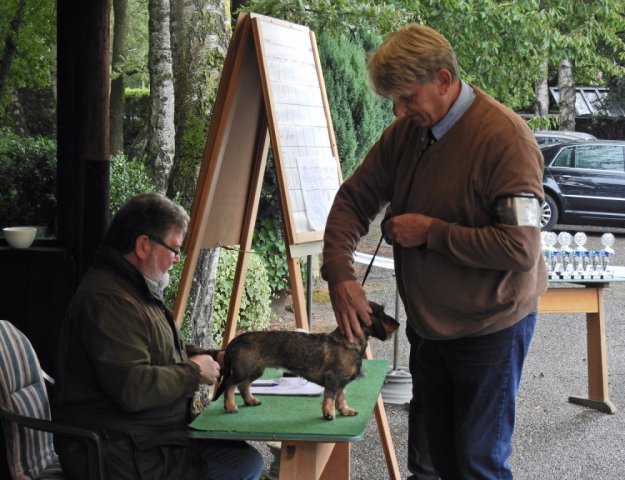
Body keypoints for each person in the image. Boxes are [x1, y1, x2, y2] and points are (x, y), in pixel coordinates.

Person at [320, 24, 547, 480]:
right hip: (431, 330)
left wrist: (433, 233)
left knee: (476, 463)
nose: (399, 111)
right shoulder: (406, 133)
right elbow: (353, 199)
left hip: (490, 329)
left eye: (407, 97)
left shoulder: (506, 140)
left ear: (444, 80)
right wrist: (340, 274)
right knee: (429, 463)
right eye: (395, 101)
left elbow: (521, 248)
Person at [53, 192, 264, 480]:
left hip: (144, 439)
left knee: (243, 456)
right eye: (175, 249)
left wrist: (217, 357)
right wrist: (192, 373)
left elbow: (158, 351)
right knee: (241, 465)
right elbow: (133, 388)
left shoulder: (130, 288)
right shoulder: (109, 301)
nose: (177, 260)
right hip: (116, 452)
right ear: (143, 245)